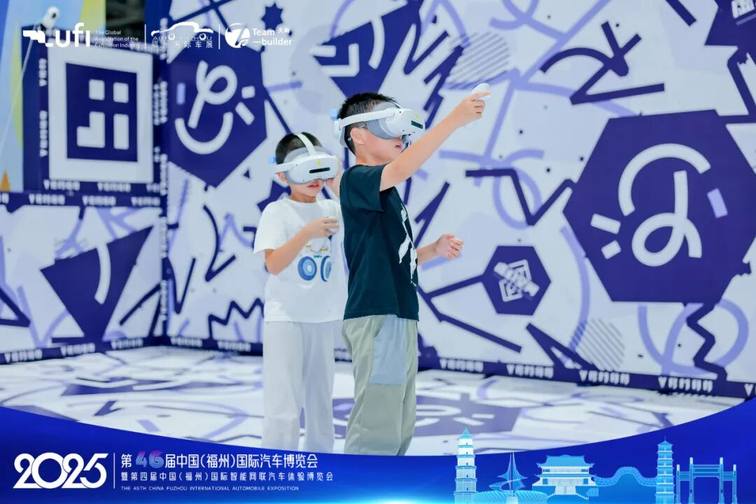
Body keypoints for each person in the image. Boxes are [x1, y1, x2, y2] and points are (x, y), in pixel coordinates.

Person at [335, 90, 487, 454]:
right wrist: (453, 120)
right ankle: (361, 483)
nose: (401, 136)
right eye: (387, 125)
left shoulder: (385, 194)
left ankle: (386, 481)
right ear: (358, 135)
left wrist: (433, 250)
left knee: (399, 419)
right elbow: (403, 169)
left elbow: (396, 258)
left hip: (399, 313)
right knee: (378, 421)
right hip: (378, 313)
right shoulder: (356, 180)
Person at [253, 132, 345, 452]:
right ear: (283, 175)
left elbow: (362, 213)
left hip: (323, 317)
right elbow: (274, 264)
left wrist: (336, 180)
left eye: (319, 168)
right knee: (283, 403)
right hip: (286, 317)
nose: (314, 178)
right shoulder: (276, 213)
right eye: (304, 170)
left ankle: (321, 466)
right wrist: (306, 232)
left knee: (321, 402)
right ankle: (278, 466)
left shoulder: (332, 208)